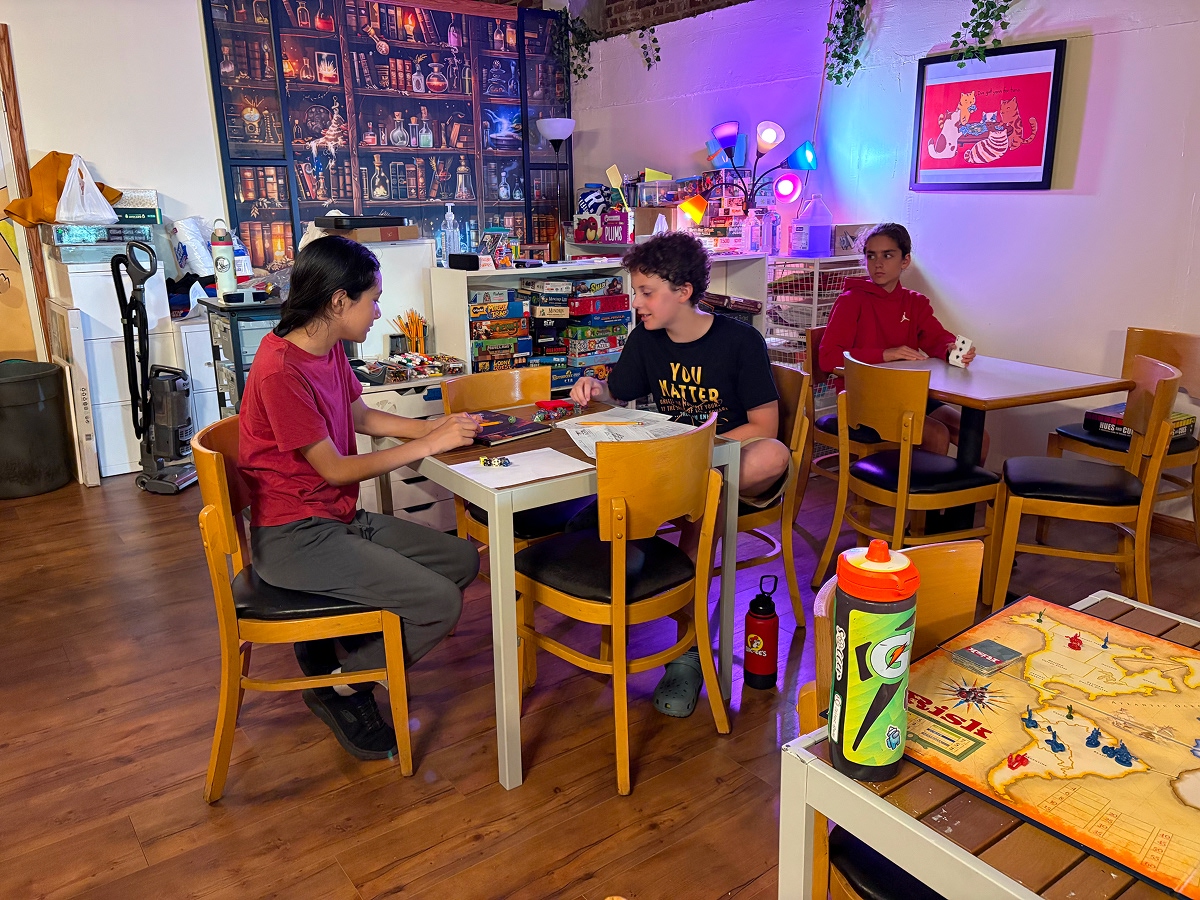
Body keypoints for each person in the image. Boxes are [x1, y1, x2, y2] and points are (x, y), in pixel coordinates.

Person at [238, 235, 481, 761]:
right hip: (294, 536)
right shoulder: (282, 370)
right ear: (337, 301)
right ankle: (343, 684)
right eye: (372, 299)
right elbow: (336, 467)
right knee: (440, 603)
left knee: (461, 559)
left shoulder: (323, 349)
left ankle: (343, 638)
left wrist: (429, 427)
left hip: (334, 517)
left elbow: (363, 417)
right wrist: (430, 443)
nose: (378, 312)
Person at [570, 231, 791, 717]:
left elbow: (764, 427)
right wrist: (595, 387)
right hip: (678, 466)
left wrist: (698, 455)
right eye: (636, 291)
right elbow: (619, 393)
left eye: (647, 292)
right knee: (667, 496)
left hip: (733, 459)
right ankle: (633, 573)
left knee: (765, 460)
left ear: (684, 291)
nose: (637, 302)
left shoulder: (739, 340)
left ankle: (687, 652)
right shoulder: (644, 339)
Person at [819, 222, 988, 460]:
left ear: (905, 260)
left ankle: (960, 497)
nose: (878, 264)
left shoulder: (915, 302)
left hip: (909, 396)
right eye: (871, 256)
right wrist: (885, 354)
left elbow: (936, 338)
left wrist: (951, 349)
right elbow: (828, 358)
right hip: (862, 399)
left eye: (888, 255)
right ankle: (912, 497)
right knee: (936, 435)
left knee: (977, 438)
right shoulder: (851, 301)